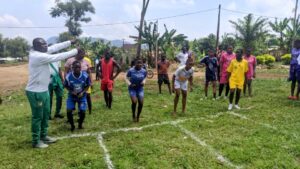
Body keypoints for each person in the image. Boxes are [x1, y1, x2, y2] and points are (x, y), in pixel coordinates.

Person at [26, 38, 78, 148]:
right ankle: (36, 140)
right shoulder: (38, 56)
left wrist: (69, 42)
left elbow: (54, 47)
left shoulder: (40, 51)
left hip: (44, 90)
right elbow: (57, 56)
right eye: (42, 44)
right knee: (38, 116)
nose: (45, 46)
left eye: (45, 43)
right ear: (36, 46)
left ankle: (43, 135)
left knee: (45, 115)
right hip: (36, 92)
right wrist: (75, 51)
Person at [64, 61, 91, 131]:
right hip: (72, 96)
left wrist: (83, 92)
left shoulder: (85, 75)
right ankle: (72, 125)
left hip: (82, 96)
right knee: (69, 111)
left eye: (79, 67)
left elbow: (88, 85)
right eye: (75, 67)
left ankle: (80, 124)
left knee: (83, 111)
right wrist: (71, 91)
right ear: (72, 68)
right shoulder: (68, 76)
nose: (77, 69)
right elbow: (65, 85)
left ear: (81, 68)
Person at [65, 49, 93, 114]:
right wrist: (65, 80)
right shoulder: (70, 60)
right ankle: (72, 110)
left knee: (86, 96)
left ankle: (85, 111)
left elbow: (89, 72)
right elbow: (66, 71)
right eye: (82, 54)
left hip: (84, 82)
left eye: (84, 54)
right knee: (73, 96)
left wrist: (91, 82)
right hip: (73, 82)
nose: (83, 56)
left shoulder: (86, 61)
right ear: (77, 53)